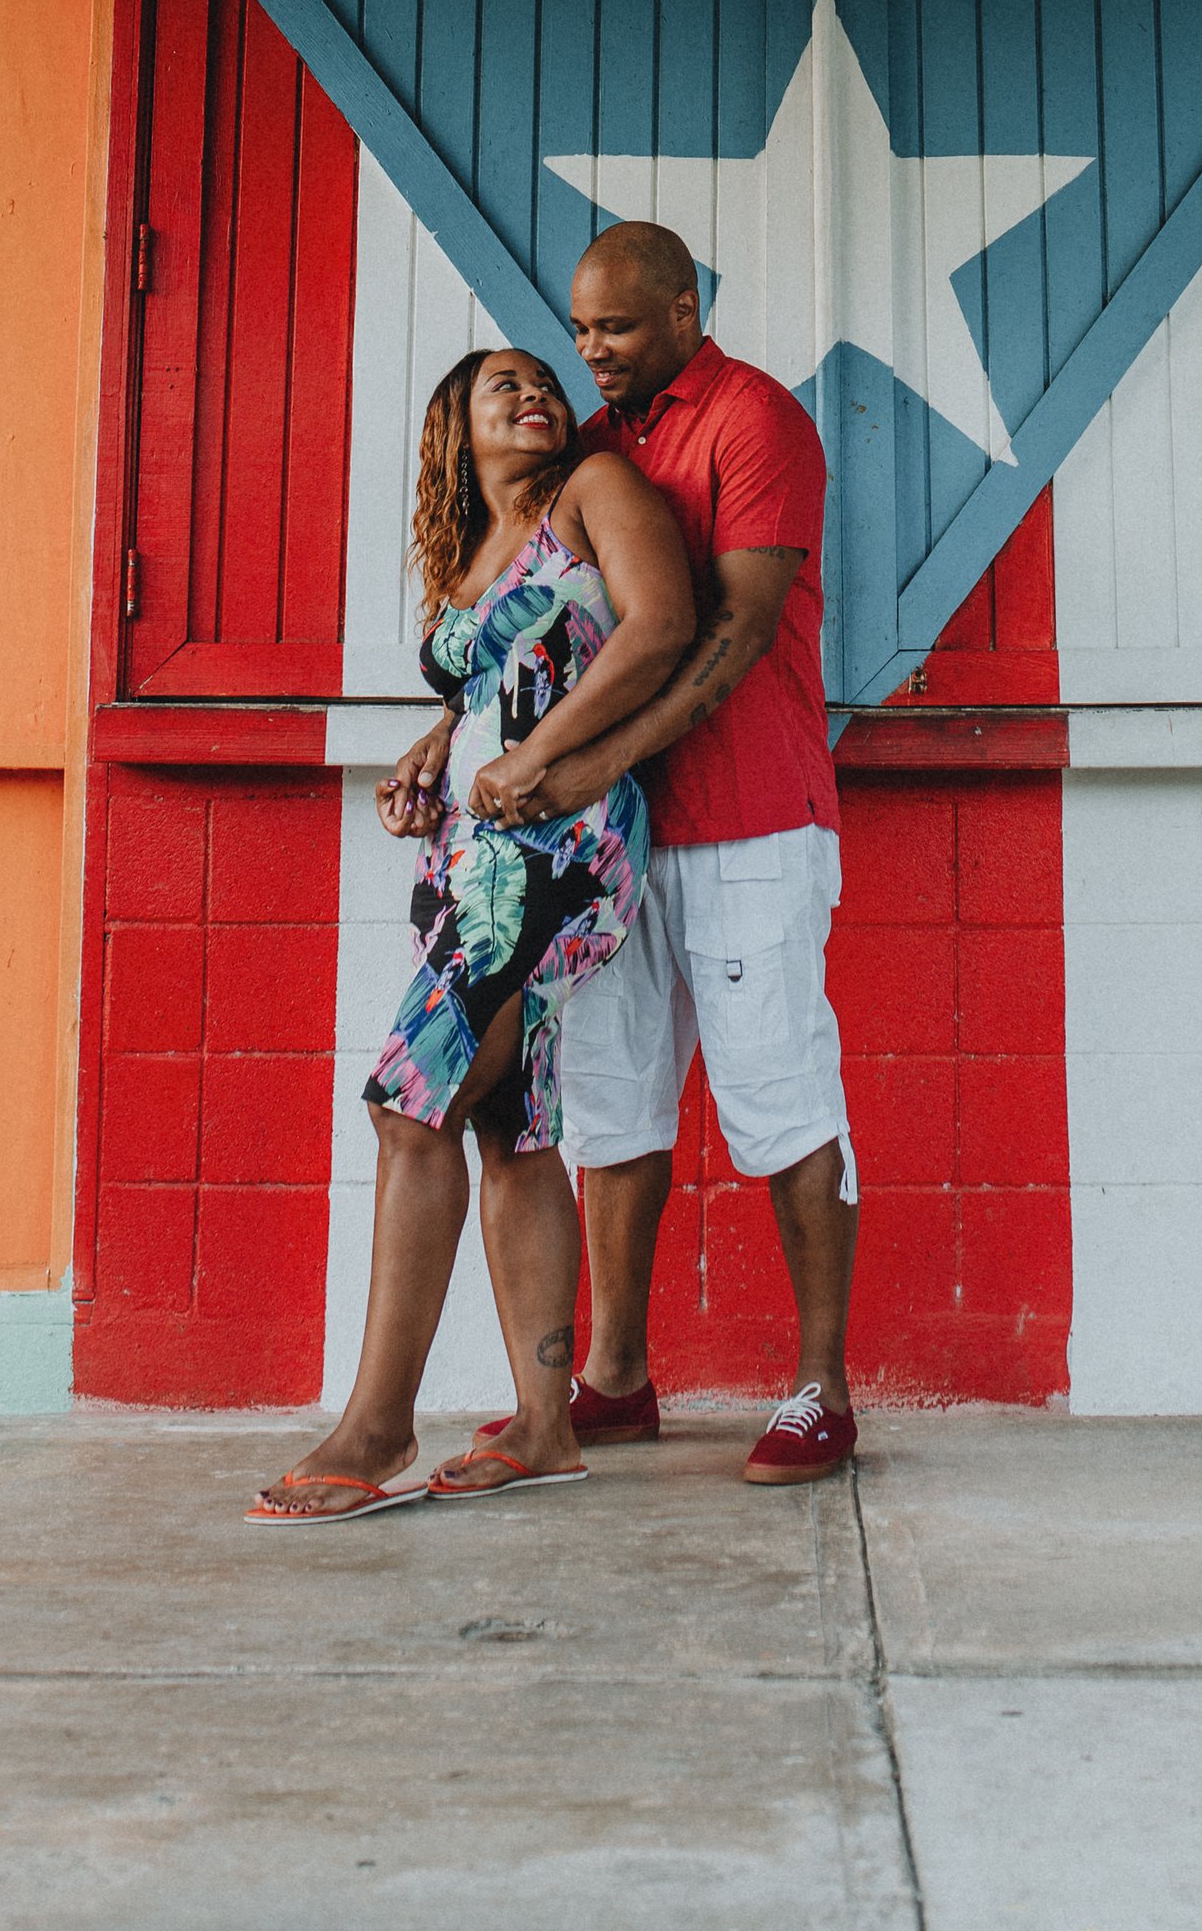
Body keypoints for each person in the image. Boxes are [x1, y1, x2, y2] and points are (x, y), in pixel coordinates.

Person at [409, 222, 860, 1485]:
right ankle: (615, 1377)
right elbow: (542, 629)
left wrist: (594, 758)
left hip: (753, 819)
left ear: (682, 311)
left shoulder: (754, 419)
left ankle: (822, 1388)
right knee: (611, 1102)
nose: (591, 350)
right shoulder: (597, 448)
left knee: (779, 1094)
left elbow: (737, 629)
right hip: (610, 846)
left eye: (614, 326)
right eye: (580, 329)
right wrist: (441, 738)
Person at [249, 345, 693, 1521]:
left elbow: (659, 627)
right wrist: (433, 753)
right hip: (472, 857)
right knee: (512, 1122)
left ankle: (376, 1427)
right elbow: (494, 684)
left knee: (411, 1107)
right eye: (506, 386)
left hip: (560, 845)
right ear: (457, 423)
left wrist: (534, 754)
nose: (536, 395)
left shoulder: (591, 492)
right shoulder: (467, 553)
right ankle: (547, 1426)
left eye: (544, 382)